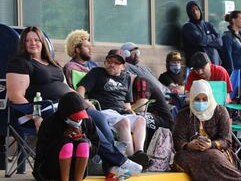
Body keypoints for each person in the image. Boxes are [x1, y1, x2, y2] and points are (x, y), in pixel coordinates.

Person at [6, 26, 142, 179]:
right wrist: (36, 117)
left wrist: (83, 101)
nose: (33, 43)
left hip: (68, 105)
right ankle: (120, 162)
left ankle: (111, 167)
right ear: (22, 43)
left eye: (37, 39)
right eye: (28, 40)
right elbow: (15, 95)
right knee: (83, 121)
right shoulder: (20, 63)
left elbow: (67, 88)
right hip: (46, 109)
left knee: (100, 118)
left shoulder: (52, 63)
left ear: (43, 42)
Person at [173, 79, 241, 181]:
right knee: (180, 158)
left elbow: (226, 141)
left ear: (210, 97)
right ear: (191, 98)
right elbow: (178, 141)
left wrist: (211, 145)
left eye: (204, 99)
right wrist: (189, 145)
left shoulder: (220, 111)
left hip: (218, 151)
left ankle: (239, 180)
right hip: (191, 153)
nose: (201, 102)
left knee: (212, 155)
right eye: (197, 99)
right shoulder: (183, 114)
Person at [77, 49, 148, 160]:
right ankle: (129, 158)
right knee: (124, 122)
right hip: (103, 112)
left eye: (116, 63)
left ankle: (139, 153)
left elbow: (127, 103)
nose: (112, 65)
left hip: (121, 113)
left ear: (123, 66)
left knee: (141, 120)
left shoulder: (127, 78)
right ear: (105, 62)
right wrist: (84, 101)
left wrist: (130, 111)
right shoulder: (97, 72)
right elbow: (80, 89)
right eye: (109, 61)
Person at [33, 92, 99, 181]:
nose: (78, 119)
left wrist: (86, 141)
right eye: (75, 117)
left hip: (76, 169)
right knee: (66, 144)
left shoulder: (87, 121)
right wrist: (63, 138)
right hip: (52, 169)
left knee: (84, 143)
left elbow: (96, 146)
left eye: (80, 116)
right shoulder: (50, 122)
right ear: (65, 115)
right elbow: (42, 152)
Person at [132, 76, 175, 146]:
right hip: (153, 119)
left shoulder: (141, 82)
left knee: (138, 117)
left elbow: (141, 107)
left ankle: (139, 152)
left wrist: (126, 109)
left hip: (164, 122)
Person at [182, 0, 223, 67]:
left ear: (200, 10)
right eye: (192, 11)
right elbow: (199, 41)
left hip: (215, 63)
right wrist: (212, 36)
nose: (195, 12)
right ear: (189, 13)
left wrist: (205, 42)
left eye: (197, 9)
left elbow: (220, 42)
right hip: (200, 66)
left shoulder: (208, 25)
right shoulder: (188, 26)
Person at [221, 10, 241, 95]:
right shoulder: (227, 37)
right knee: (237, 102)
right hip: (237, 76)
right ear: (234, 20)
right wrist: (231, 77)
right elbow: (227, 58)